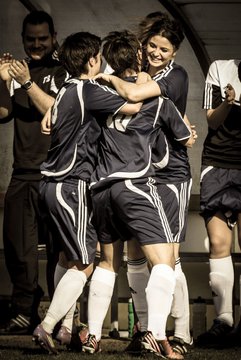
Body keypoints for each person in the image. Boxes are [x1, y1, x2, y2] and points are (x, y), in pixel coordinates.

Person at [82, 30, 194, 359]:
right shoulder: (155, 99)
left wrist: (105, 79)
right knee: (164, 262)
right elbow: (185, 135)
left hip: (103, 187)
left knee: (110, 262)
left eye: (163, 48)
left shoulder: (98, 93)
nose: (155, 53)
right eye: (150, 48)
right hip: (137, 184)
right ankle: (157, 335)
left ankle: (95, 336)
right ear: (140, 55)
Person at [32, 31, 142, 355]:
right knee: (85, 262)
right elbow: (134, 105)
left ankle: (66, 329)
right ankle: (48, 325)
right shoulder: (87, 89)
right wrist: (120, 80)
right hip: (71, 184)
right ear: (94, 60)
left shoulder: (65, 87)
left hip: (50, 184)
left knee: (67, 256)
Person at [0, 10, 67, 335]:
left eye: (43, 38)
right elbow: (2, 114)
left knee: (59, 249)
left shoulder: (65, 69)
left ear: (54, 37)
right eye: (30, 39)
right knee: (17, 247)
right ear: (23, 39)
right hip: (22, 173)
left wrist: (26, 82)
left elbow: (58, 113)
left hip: (59, 173)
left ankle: (56, 316)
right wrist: (3, 81)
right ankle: (24, 309)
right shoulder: (16, 71)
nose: (37, 44)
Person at [195, 60, 241, 348]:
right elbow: (211, 120)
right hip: (218, 162)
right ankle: (223, 320)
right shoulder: (221, 68)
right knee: (218, 243)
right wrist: (228, 102)